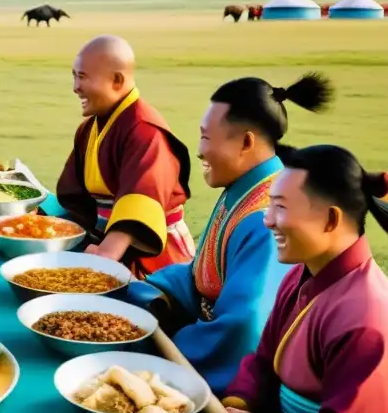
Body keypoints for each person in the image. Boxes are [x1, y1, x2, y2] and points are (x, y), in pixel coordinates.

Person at [222, 145, 388, 413]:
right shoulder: (304, 272)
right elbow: (263, 361)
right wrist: (236, 410)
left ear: (331, 220)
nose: (266, 220)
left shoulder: (368, 314)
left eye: (280, 208)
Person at [127, 74, 332, 391]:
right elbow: (204, 276)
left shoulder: (268, 219)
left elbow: (244, 327)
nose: (199, 151)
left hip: (257, 385)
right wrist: (145, 291)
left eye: (206, 138)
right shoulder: (244, 190)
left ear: (246, 143)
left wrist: (169, 345)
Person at [56, 35, 194, 277]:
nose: (76, 87)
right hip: (104, 243)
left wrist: (106, 256)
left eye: (83, 77)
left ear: (117, 80)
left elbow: (141, 199)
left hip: (154, 258)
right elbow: (76, 198)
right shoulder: (89, 129)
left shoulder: (146, 131)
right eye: (74, 76)